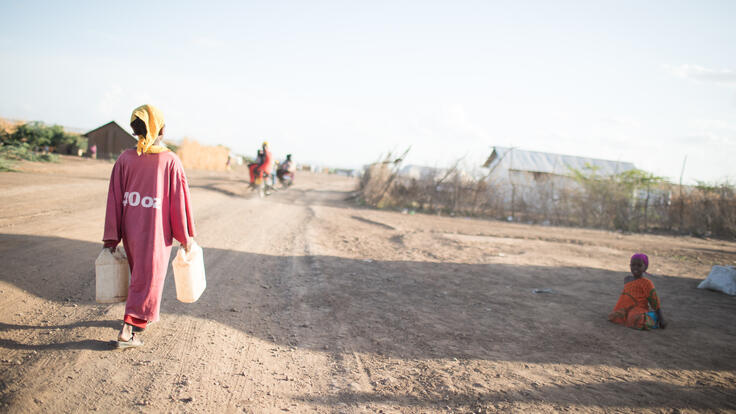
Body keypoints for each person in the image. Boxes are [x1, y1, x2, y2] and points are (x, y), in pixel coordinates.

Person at [103, 104, 196, 349]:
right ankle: (128, 330)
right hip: (156, 233)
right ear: (160, 129)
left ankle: (145, 316)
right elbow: (178, 202)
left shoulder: (125, 158)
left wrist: (112, 238)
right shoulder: (170, 161)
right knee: (149, 278)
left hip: (131, 231)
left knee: (142, 277)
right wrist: (185, 238)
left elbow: (114, 198)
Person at [608, 253, 667, 330]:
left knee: (635, 319)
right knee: (614, 316)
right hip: (626, 308)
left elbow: (654, 300)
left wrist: (661, 318)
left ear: (645, 267)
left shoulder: (647, 283)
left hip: (638, 309)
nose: (635, 267)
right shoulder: (627, 279)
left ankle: (653, 317)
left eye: (639, 265)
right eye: (633, 265)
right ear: (630, 266)